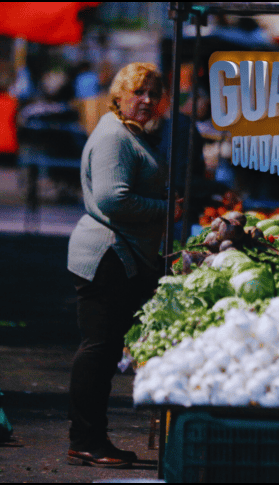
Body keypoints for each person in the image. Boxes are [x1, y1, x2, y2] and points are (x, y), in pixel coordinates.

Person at [66, 62, 181, 467]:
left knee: (105, 346)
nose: (147, 100)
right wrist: (166, 209)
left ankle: (89, 437)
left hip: (120, 253)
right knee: (98, 349)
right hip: (106, 255)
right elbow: (114, 199)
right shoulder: (115, 136)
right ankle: (86, 439)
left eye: (154, 93)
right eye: (138, 92)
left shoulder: (130, 133)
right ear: (119, 96)